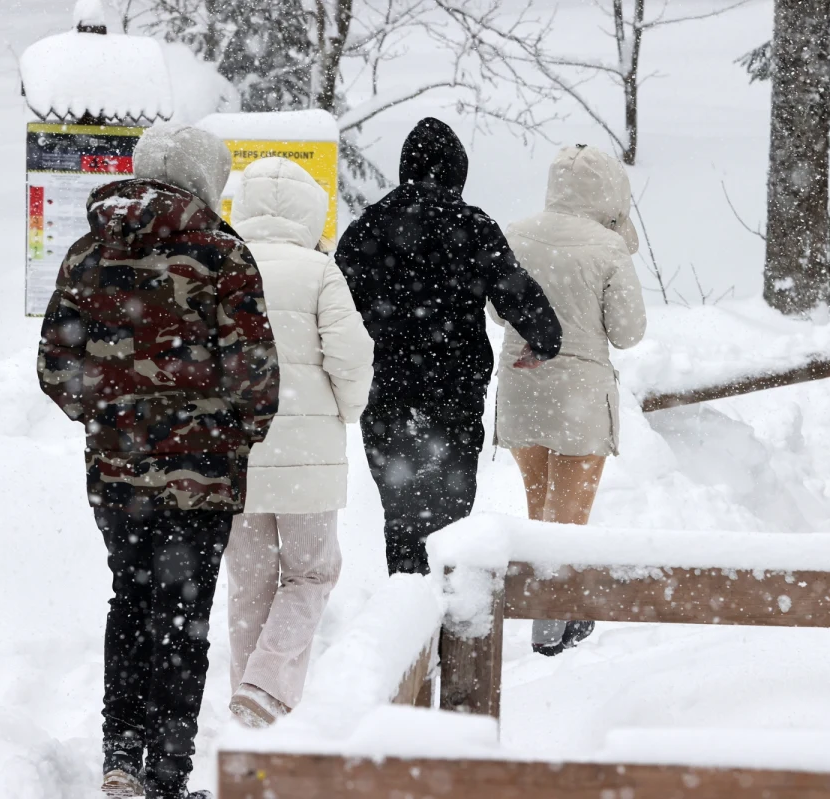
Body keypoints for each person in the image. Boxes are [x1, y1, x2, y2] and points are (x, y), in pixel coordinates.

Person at [37, 122, 280, 799]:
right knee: (184, 615)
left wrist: (111, 418)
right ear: (208, 176)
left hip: (117, 477)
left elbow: (57, 367)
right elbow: (255, 377)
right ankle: (167, 775)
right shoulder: (223, 255)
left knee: (132, 599)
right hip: (201, 479)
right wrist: (231, 434)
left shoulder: (89, 251)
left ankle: (120, 757)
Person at [335, 117, 563, 576]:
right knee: (449, 521)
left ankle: (406, 606)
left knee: (400, 516)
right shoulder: (473, 225)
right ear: (457, 172)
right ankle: (445, 622)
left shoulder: (366, 228)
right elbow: (515, 290)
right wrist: (545, 339)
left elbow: (336, 309)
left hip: (386, 393)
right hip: (453, 395)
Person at [221, 157, 374, 726]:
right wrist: (347, 409)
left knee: (249, 579)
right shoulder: (319, 272)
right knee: (311, 573)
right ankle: (266, 684)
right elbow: (351, 355)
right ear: (311, 211)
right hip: (308, 454)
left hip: (237, 453)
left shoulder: (223, 264)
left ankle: (248, 694)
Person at [493, 144, 647, 656]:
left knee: (541, 512)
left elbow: (499, 312)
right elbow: (628, 332)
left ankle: (553, 610)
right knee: (569, 522)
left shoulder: (516, 233)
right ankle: (550, 630)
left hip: (522, 387)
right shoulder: (607, 248)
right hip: (579, 396)